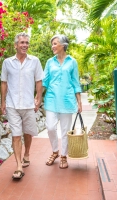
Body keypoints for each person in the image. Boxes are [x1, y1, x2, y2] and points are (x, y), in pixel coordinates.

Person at [0, 32, 44, 179]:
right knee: (16, 135)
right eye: (22, 42)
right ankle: (18, 166)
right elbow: (4, 82)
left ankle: (27, 153)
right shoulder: (7, 62)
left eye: (26, 42)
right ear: (16, 45)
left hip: (28, 104)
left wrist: (38, 98)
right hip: (12, 105)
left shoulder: (35, 61)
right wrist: (3, 102)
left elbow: (39, 81)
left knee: (28, 133)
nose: (25, 45)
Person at [42, 34, 82, 169]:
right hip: (52, 100)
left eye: (55, 43)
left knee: (65, 131)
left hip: (67, 100)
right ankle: (55, 151)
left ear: (63, 45)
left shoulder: (72, 62)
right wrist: (37, 97)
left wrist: (79, 102)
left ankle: (64, 155)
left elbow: (76, 82)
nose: (52, 46)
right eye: (52, 44)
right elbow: (45, 81)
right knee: (50, 127)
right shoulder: (49, 62)